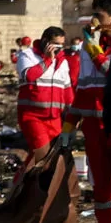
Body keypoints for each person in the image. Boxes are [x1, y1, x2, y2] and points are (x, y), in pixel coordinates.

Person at [64, 0, 111, 223]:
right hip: (93, 127)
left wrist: (96, 51)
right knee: (101, 186)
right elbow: (83, 88)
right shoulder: (87, 47)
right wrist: (69, 125)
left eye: (98, 15)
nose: (93, 21)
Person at [16, 26, 73, 157]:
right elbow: (29, 75)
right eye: (55, 44)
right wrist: (47, 60)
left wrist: (72, 115)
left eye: (61, 44)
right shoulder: (27, 56)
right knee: (41, 153)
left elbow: (67, 90)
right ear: (45, 42)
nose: (59, 48)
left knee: (53, 157)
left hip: (54, 119)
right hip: (32, 116)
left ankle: (27, 177)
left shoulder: (63, 62)